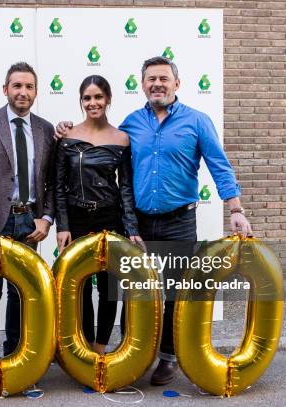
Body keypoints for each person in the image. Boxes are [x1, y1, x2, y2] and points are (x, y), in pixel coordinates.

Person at [56, 56, 252, 385]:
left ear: (177, 83)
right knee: (137, 293)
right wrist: (66, 129)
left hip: (179, 221)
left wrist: (235, 209)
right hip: (138, 224)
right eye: (151, 79)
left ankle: (167, 357)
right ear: (143, 84)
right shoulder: (132, 124)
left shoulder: (197, 122)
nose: (157, 84)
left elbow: (219, 165)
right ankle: (136, 354)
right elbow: (99, 141)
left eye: (163, 78)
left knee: (175, 292)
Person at [0, 62, 56, 361]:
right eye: (17, 86)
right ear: (6, 89)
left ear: (36, 92)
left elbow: (52, 180)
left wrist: (47, 218)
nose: (23, 92)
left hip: (30, 221)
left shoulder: (45, 129)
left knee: (22, 295)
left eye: (29, 87)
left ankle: (16, 359)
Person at [55, 75, 144, 355]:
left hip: (110, 219)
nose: (92, 103)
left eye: (98, 97)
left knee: (109, 288)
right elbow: (58, 184)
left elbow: (126, 188)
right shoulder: (66, 136)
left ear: (108, 99)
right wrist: (63, 224)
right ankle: (83, 348)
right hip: (77, 219)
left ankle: (101, 348)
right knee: (78, 287)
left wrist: (131, 228)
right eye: (87, 98)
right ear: (81, 101)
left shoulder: (121, 138)